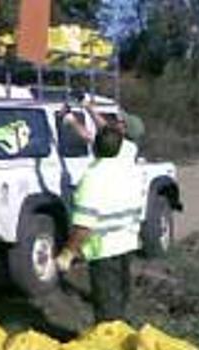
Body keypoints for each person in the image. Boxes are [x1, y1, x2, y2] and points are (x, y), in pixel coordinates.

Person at [53, 126, 144, 323]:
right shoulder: (130, 167)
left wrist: (67, 253)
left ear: (94, 148)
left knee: (107, 309)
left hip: (105, 251)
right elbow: (117, 141)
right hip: (127, 244)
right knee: (121, 299)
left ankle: (110, 346)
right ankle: (123, 338)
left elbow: (84, 226)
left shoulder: (93, 178)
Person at [63, 101, 139, 163]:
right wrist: (88, 107)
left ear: (124, 129)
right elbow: (104, 127)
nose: (117, 121)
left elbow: (88, 137)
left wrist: (71, 119)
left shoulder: (119, 145)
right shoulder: (131, 148)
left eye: (121, 121)